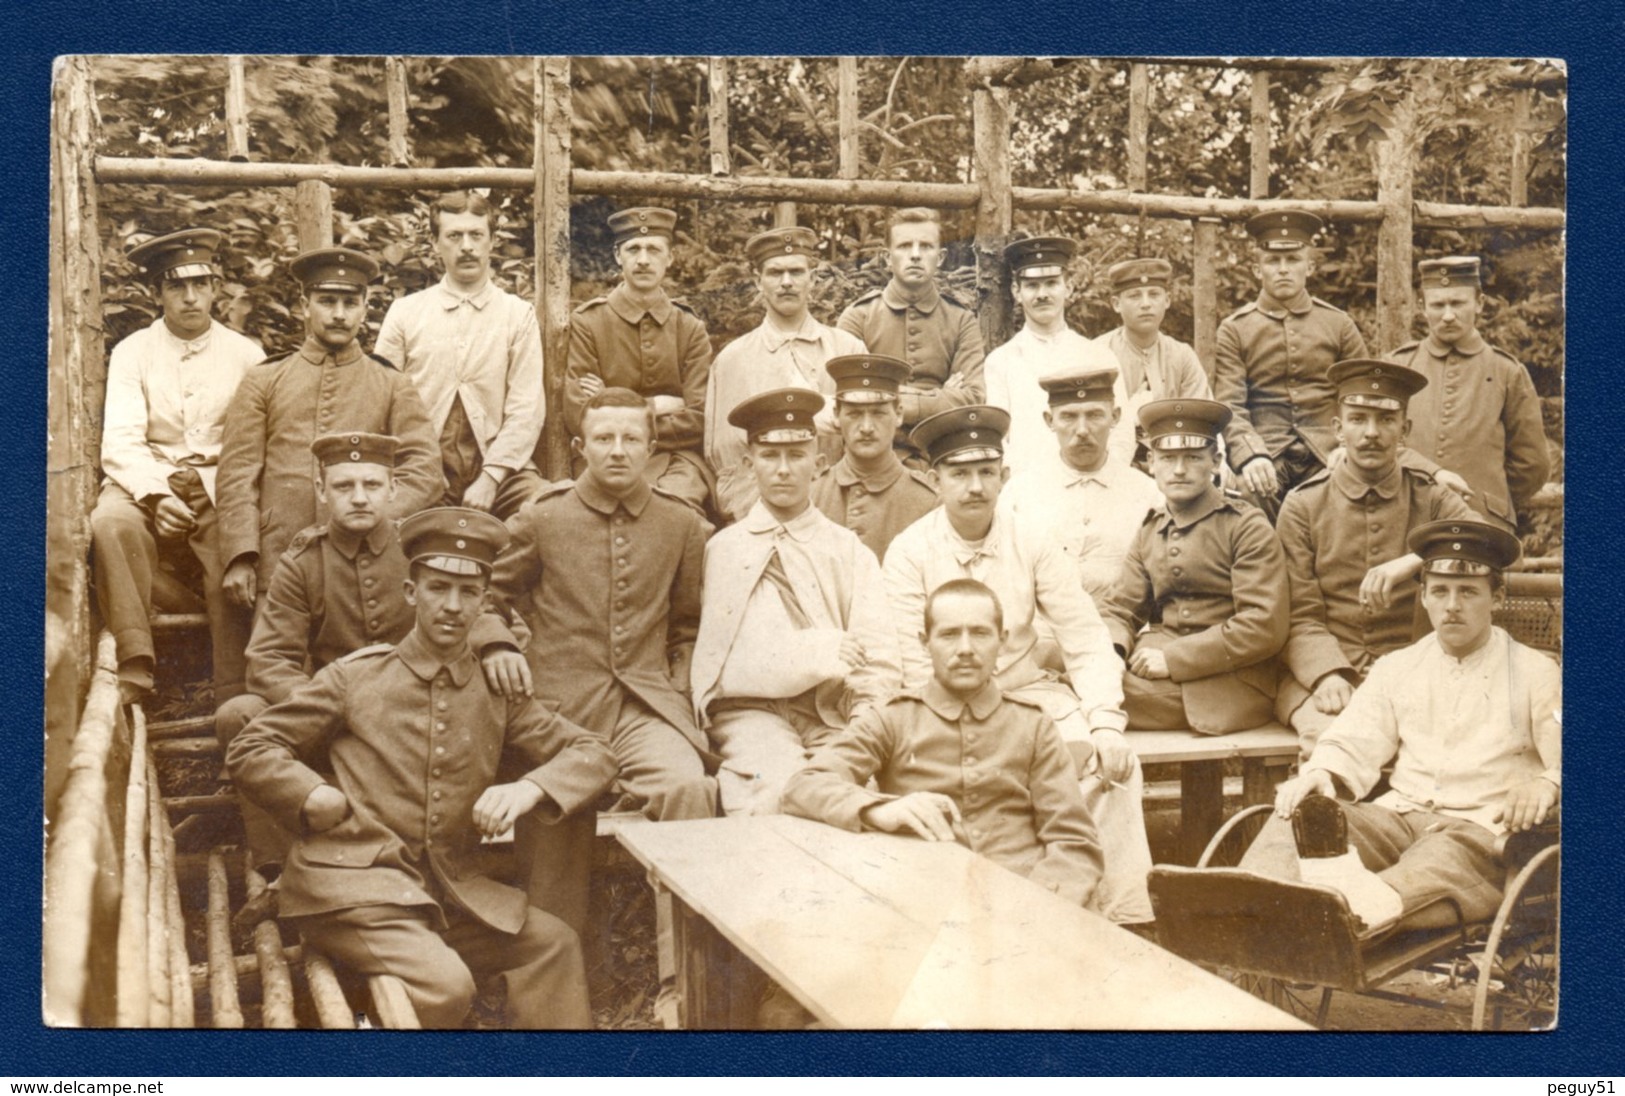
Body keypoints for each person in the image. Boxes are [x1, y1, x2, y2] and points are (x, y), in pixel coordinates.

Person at [226, 507, 617, 1028]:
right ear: (412, 592)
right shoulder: (356, 677)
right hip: (353, 886)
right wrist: (309, 794)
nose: (452, 606)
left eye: (468, 592)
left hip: (440, 895)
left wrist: (530, 788)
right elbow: (253, 743)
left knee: (552, 945)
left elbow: (594, 753)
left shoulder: (496, 693)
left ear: (484, 602)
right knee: (446, 987)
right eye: (438, 588)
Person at [883, 405, 1155, 925]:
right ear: (934, 479)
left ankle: (1121, 924)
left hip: (1028, 692)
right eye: (959, 474)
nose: (975, 487)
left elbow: (1083, 633)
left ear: (1004, 476)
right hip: (942, 707)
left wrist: (1103, 719)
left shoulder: (1030, 540)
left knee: (1112, 766)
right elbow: (911, 662)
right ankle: (1003, 920)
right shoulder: (909, 551)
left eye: (986, 472)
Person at [215, 432, 523, 873]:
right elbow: (269, 661)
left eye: (373, 486)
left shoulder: (419, 549)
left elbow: (472, 602)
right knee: (240, 714)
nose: (359, 498)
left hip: (420, 716)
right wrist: (330, 706)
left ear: (394, 488)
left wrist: (495, 643)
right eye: (343, 486)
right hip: (333, 721)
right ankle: (282, 870)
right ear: (321, 491)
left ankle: (463, 860)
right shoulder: (303, 560)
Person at [1238, 519, 1560, 935]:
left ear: (1496, 598)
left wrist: (1546, 783)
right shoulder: (1398, 666)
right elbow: (1355, 737)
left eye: (1468, 592)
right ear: (1423, 596)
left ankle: (1349, 909)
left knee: (1439, 860)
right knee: (1303, 817)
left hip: (1480, 828)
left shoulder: (1536, 671)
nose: (1452, 606)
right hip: (1400, 816)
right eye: (1440, 591)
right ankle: (1249, 901)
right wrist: (1320, 773)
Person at [490, 387, 718, 935]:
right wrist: (496, 643)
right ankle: (554, 970)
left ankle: (685, 970)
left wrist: (679, 685)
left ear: (651, 446)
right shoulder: (544, 517)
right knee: (551, 811)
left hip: (643, 707)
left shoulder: (681, 523)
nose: (618, 450)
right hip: (558, 709)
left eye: (631, 438)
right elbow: (485, 595)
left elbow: (687, 624)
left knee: (686, 787)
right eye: (604, 438)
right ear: (580, 447)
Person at [783, 578, 1103, 907]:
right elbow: (805, 786)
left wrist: (1037, 905)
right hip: (925, 902)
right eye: (949, 634)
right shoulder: (893, 718)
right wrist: (879, 809)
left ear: (1002, 641)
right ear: (925, 642)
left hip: (1028, 900)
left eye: (980, 633)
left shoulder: (1034, 725)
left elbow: (1074, 842)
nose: (965, 648)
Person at [690, 388, 901, 816]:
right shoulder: (722, 550)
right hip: (751, 716)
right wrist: (816, 652)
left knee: (853, 792)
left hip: (833, 714)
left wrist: (866, 720)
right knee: (775, 792)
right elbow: (717, 668)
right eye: (770, 456)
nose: (784, 470)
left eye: (797, 455)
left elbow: (878, 654)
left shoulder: (847, 550)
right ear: (750, 465)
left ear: (819, 464)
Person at [215, 247, 442, 612]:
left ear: (365, 309)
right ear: (305, 306)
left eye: (350, 303)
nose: (339, 314)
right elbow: (237, 475)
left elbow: (426, 471)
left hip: (365, 561)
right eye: (326, 301)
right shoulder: (264, 379)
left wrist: (371, 518)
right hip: (278, 558)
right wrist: (241, 553)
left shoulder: (391, 384)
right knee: (272, 662)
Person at [90, 227, 264, 704]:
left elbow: (251, 445)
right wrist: (155, 494)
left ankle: (235, 690)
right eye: (175, 286)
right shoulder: (133, 353)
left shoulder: (247, 356)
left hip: (217, 479)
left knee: (235, 545)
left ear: (215, 287)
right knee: (110, 522)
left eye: (199, 285)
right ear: (158, 293)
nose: (190, 298)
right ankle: (136, 661)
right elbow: (122, 440)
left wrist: (216, 492)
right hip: (148, 473)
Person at [1275, 360, 1477, 760]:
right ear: (1338, 429)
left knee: (1444, 750)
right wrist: (1326, 672)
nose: (1371, 432)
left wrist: (1414, 560)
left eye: (1386, 419)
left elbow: (1495, 543)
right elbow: (1298, 612)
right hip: (1326, 673)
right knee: (1334, 745)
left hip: (1419, 669)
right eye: (1358, 419)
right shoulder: (1302, 505)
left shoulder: (1431, 497)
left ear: (1404, 431)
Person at [1100, 398, 1289, 734]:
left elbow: (1263, 625)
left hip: (1231, 682)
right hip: (1160, 672)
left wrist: (1173, 658)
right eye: (1168, 458)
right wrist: (1112, 653)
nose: (1179, 469)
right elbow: (1120, 610)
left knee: (1083, 693)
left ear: (1215, 462)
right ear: (1150, 464)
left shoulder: (1246, 525)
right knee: (1080, 672)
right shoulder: (1151, 528)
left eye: (1193, 457)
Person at [374, 190, 548, 520]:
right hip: (422, 467)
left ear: (492, 241)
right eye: (454, 235)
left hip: (501, 468)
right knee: (387, 525)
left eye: (476, 235)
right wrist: (418, 467)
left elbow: (526, 409)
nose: (466, 246)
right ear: (437, 243)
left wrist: (491, 478)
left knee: (544, 511)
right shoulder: (406, 312)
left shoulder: (517, 314)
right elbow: (383, 401)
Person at [1212, 210, 1368, 519]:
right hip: (1267, 450)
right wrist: (1250, 454)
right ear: (1258, 269)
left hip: (1328, 452)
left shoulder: (1338, 324)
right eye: (1273, 261)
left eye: (1293, 259)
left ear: (1309, 266)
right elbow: (1230, 403)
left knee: (1351, 492)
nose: (1283, 269)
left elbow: (1360, 394)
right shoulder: (1235, 328)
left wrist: (1346, 447)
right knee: (1247, 490)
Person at [705, 225, 865, 521]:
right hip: (761, 515)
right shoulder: (733, 360)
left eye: (796, 272)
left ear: (812, 278)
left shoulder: (848, 350)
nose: (787, 282)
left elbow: (866, 446)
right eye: (775, 273)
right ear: (758, 281)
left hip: (840, 512)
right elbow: (728, 466)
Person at [1385, 255, 1551, 531]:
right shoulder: (1398, 365)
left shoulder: (1507, 371)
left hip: (1484, 524)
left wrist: (1490, 497)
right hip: (1406, 519)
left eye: (1458, 303)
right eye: (1438, 305)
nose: (1448, 315)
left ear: (1479, 304)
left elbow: (1532, 464)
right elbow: (1381, 444)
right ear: (1423, 308)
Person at [563, 207, 712, 513]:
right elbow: (578, 412)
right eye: (633, 249)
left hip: (677, 462)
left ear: (669, 258)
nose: (643, 259)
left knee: (678, 512)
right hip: (604, 458)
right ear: (618, 255)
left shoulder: (690, 328)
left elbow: (699, 418)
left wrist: (610, 401)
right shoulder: (588, 322)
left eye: (654, 249)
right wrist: (658, 405)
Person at [999, 368, 1162, 611]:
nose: (1083, 429)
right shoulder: (1020, 493)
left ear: (1115, 417)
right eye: (1068, 417)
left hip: (1124, 633)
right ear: (1049, 420)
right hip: (1041, 635)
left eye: (1095, 415)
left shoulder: (1148, 494)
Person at [836, 207, 985, 465]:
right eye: (905, 246)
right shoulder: (858, 318)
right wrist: (939, 395)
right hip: (874, 461)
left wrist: (888, 395)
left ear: (940, 258)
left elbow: (972, 400)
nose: (915, 255)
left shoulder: (962, 320)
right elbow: (850, 399)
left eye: (925, 246)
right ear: (886, 257)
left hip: (944, 459)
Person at [982, 235, 1119, 476]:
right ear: (1017, 291)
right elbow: (997, 438)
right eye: (1032, 285)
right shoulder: (1001, 362)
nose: (1042, 294)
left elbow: (1121, 433)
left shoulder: (1099, 356)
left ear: (1068, 287)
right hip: (1028, 490)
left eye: (1051, 283)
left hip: (1093, 485)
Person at [809, 354, 939, 563]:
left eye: (878, 413)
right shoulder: (812, 495)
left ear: (898, 414)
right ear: (836, 415)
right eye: (854, 414)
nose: (867, 428)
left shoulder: (927, 501)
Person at [1092, 257, 1212, 467]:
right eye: (1134, 295)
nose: (1146, 303)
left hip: (1174, 463)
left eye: (1154, 294)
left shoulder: (1181, 356)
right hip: (1111, 463)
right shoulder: (1098, 353)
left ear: (1167, 300)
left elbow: (1202, 419)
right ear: (1116, 304)